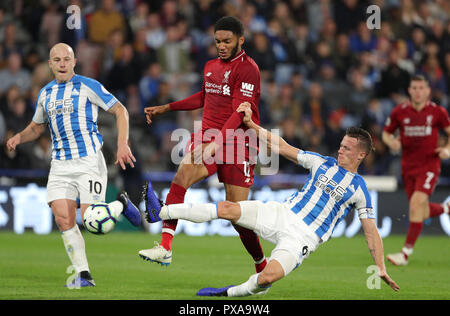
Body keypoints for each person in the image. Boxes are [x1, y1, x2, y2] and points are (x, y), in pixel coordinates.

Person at [142, 102, 400, 297]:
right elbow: (283, 146)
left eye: (347, 148)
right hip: (282, 213)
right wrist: (253, 126)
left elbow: (371, 232)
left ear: (361, 155)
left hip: (303, 237)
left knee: (268, 278)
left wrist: (380, 267)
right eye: (341, 145)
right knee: (229, 209)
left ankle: (228, 293)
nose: (340, 150)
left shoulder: (360, 190)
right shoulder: (322, 162)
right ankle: (162, 212)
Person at [6, 43, 141, 288]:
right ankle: (83, 275)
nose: (62, 64)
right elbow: (37, 127)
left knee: (92, 221)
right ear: (50, 64)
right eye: (56, 60)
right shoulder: (46, 93)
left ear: (74, 61)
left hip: (88, 159)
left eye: (66, 59)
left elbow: (121, 111)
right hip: (59, 164)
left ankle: (121, 203)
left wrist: (122, 144)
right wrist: (19, 136)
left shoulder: (88, 86)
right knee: (63, 218)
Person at [140, 16, 267, 272]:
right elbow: (205, 95)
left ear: (240, 40)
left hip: (237, 142)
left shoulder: (248, 69)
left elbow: (239, 113)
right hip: (208, 135)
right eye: (218, 41)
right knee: (183, 174)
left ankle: (262, 266)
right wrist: (168, 107)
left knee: (238, 217)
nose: (221, 45)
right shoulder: (210, 66)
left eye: (227, 41)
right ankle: (165, 247)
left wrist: (216, 144)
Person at [382, 75, 450, 266]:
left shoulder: (438, 112)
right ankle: (446, 209)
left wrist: (447, 150)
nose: (418, 91)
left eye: (422, 87)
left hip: (429, 165)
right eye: (414, 88)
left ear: (428, 90)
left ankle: (404, 254)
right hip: (407, 167)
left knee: (415, 205)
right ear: (409, 91)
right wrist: (392, 142)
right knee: (420, 209)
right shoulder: (400, 111)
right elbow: (386, 133)